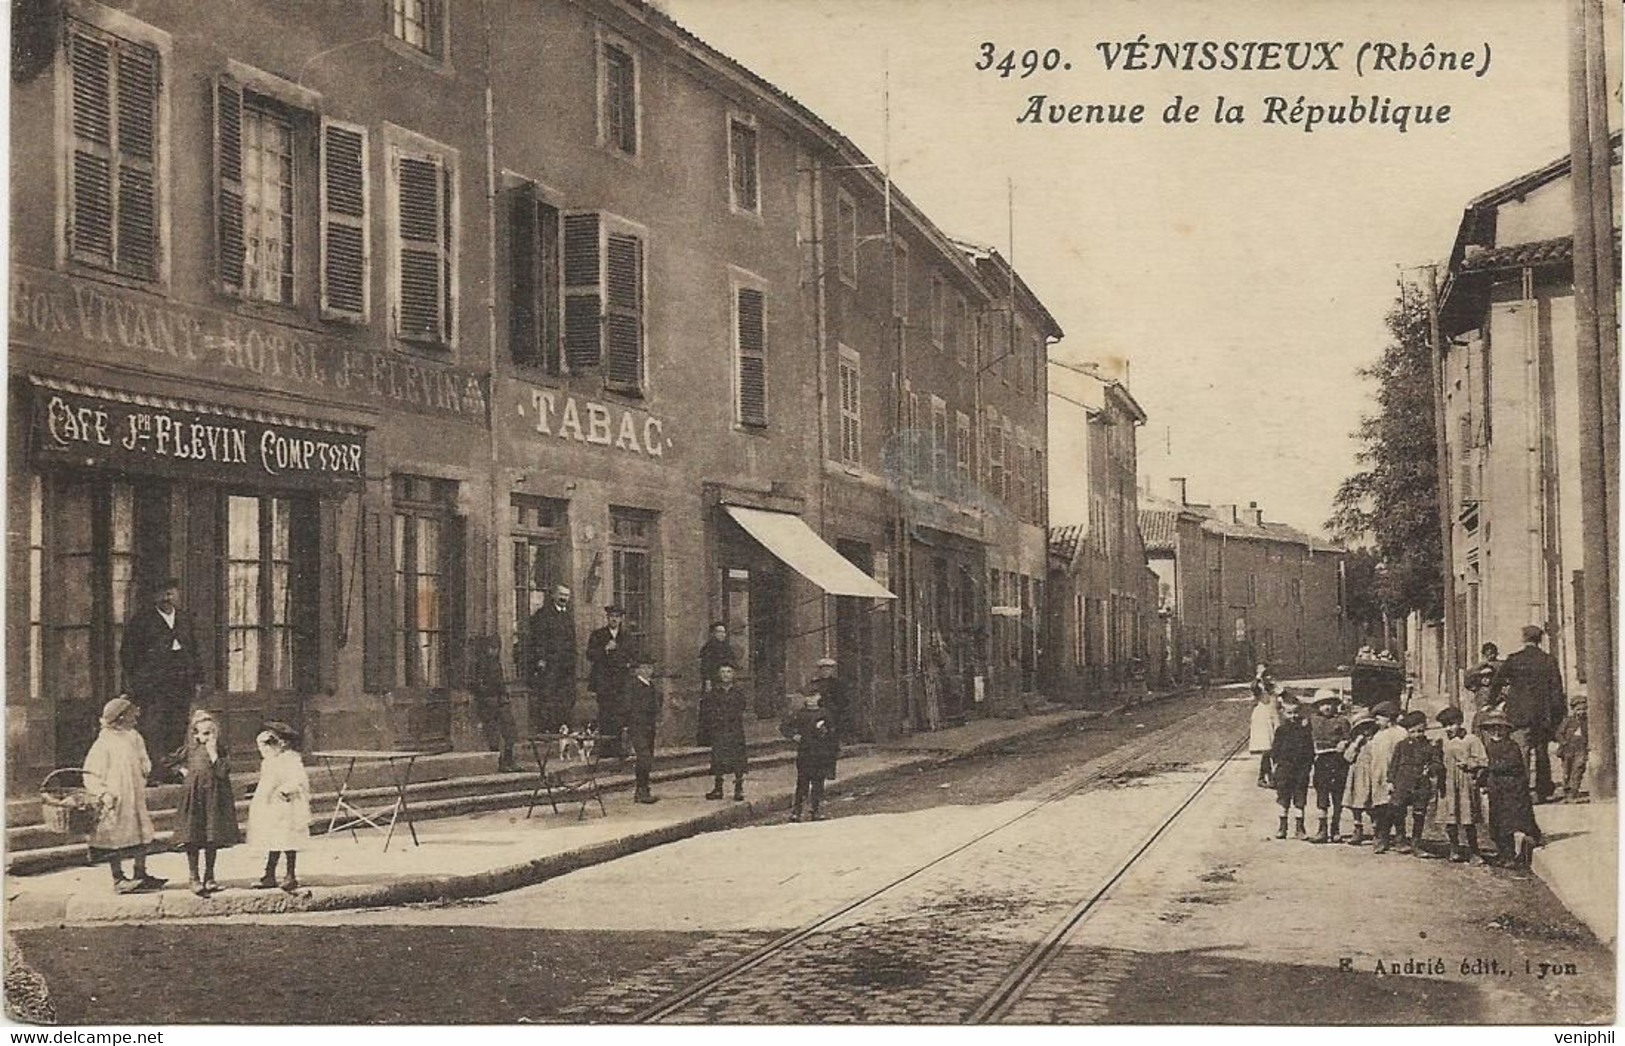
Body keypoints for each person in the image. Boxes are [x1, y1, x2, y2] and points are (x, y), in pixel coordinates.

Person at [119, 578, 203, 784]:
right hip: (154, 686)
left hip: (181, 683)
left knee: (177, 724)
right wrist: (140, 680)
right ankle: (154, 771)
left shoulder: (184, 619)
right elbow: (128, 654)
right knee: (154, 726)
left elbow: (195, 650)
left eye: (171, 591)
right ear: (153, 596)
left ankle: (173, 769)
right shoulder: (142, 621)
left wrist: (198, 680)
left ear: (177, 594)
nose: (167, 596)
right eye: (162, 592)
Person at [83, 697, 164, 894]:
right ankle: (118, 878)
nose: (135, 718)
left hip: (134, 794)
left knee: (140, 831)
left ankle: (140, 872)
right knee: (114, 836)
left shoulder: (133, 736)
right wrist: (103, 794)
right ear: (119, 718)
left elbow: (143, 758)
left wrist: (145, 768)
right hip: (115, 797)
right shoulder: (104, 743)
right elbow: (91, 773)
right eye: (130, 715)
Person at [1486, 625, 1565, 802]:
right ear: (1540, 640)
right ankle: (1542, 791)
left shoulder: (1514, 659)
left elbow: (1497, 682)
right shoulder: (1548, 660)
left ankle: (1522, 792)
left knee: (1522, 752)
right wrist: (1557, 715)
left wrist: (1490, 703)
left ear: (1523, 639)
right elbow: (1557, 690)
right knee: (1541, 753)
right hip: (1543, 715)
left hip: (1519, 714)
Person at [168, 709, 240, 896]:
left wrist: (214, 752)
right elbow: (170, 763)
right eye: (204, 733)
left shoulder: (220, 750)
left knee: (211, 835)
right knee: (192, 836)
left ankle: (210, 875)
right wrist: (182, 771)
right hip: (194, 796)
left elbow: (223, 771)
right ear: (196, 733)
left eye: (211, 732)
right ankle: (194, 877)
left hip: (215, 796)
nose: (208, 737)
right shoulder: (190, 749)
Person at [248, 722, 311, 892]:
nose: (268, 748)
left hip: (287, 804)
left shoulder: (291, 759)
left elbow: (299, 780)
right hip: (272, 806)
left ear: (284, 743)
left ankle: (290, 875)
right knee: (273, 839)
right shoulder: (270, 760)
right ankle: (269, 874)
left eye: (272, 743)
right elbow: (267, 779)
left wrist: (286, 790)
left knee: (288, 839)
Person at [1477, 709, 1541, 868]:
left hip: (1512, 788)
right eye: (1492, 729)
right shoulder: (1489, 746)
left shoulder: (1511, 746)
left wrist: (1488, 766)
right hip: (1496, 788)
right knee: (1497, 822)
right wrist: (1482, 780)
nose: (1496, 732)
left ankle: (1514, 854)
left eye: (1500, 728)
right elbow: (1485, 768)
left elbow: (1511, 765)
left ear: (1507, 730)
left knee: (1512, 821)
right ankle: (1504, 853)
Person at [1387, 710, 1443, 858]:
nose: (1418, 734)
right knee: (1398, 810)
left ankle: (1416, 843)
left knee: (1419, 813)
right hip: (1402, 782)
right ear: (1408, 731)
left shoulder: (1430, 746)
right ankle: (1400, 839)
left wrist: (1430, 769)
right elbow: (1393, 765)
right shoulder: (1401, 745)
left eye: (1420, 731)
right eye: (1413, 732)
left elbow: (1437, 763)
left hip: (1421, 784)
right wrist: (1390, 782)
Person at [525, 584, 578, 734]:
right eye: (561, 594)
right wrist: (541, 659)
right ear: (554, 595)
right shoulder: (544, 615)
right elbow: (539, 639)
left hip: (566, 665)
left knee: (565, 696)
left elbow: (572, 640)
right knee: (548, 695)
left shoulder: (568, 616)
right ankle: (548, 728)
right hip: (550, 664)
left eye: (567, 596)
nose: (563, 598)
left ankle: (563, 727)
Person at [1437, 706, 1487, 862]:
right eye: (1445, 725)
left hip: (1465, 783)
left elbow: (1483, 760)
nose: (1448, 728)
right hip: (1448, 782)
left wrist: (1469, 764)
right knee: (1450, 818)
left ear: (1460, 722)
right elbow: (1436, 759)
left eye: (1451, 724)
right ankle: (1454, 848)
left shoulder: (1471, 739)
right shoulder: (1442, 741)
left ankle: (1474, 851)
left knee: (1468, 818)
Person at [587, 606, 638, 759]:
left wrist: (628, 664)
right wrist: (605, 649)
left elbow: (634, 656)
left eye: (617, 616)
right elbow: (589, 655)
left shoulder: (627, 636)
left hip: (621, 682)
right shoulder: (598, 635)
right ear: (607, 618)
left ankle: (618, 748)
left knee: (620, 715)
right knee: (605, 714)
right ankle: (605, 749)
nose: (614, 619)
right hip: (604, 683)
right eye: (611, 616)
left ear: (621, 618)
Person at [782, 686, 839, 822]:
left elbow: (833, 731)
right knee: (802, 782)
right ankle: (797, 810)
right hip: (805, 752)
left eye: (814, 696)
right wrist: (793, 735)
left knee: (818, 781)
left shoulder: (825, 714)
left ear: (819, 697)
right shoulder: (799, 714)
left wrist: (827, 735)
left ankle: (816, 809)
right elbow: (784, 727)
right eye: (808, 697)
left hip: (821, 752)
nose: (811, 700)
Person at [469, 635, 521, 772]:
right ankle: (499, 763)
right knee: (493, 735)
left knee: (510, 732)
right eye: (492, 648)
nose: (495, 651)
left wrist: (504, 694)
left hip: (500, 701)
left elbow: (500, 682)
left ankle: (509, 760)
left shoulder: (496, 663)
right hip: (487, 703)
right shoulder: (479, 664)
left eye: (497, 648)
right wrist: (486, 693)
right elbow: (474, 684)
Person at [1307, 690, 1350, 843]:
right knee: (1322, 795)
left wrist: (1345, 743)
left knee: (1338, 795)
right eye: (1323, 704)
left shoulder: (1342, 721)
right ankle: (1322, 829)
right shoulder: (1312, 720)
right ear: (1317, 706)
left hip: (1338, 761)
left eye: (1330, 704)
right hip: (1321, 761)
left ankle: (1335, 828)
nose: (1326, 707)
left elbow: (1348, 737)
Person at [1364, 701, 1407, 853]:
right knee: (1381, 809)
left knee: (1397, 808)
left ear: (1388, 718)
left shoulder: (1401, 733)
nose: (1376, 721)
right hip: (1379, 777)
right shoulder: (1378, 735)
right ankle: (1382, 838)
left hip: (1395, 777)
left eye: (1378, 718)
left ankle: (1401, 838)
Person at [704, 664, 749, 801]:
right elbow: (709, 708)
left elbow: (742, 706)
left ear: (733, 674)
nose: (725, 675)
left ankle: (738, 788)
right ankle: (718, 788)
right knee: (718, 758)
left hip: (734, 728)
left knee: (738, 758)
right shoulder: (714, 692)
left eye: (728, 672)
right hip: (719, 729)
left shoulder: (738, 691)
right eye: (722, 672)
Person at [626, 657, 663, 804]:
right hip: (637, 726)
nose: (648, 671)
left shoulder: (652, 686)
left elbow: (656, 703)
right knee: (644, 757)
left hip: (649, 726)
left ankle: (644, 789)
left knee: (648, 758)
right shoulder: (633, 685)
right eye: (645, 668)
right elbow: (627, 706)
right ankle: (641, 790)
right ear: (638, 670)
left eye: (650, 668)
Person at [1341, 709, 1381, 846]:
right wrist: (1356, 743)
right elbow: (1347, 757)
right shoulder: (1356, 744)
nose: (1366, 731)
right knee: (1355, 803)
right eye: (1362, 728)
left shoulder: (1376, 741)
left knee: (1371, 804)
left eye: (1368, 727)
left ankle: (1377, 831)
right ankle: (1358, 828)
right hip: (1357, 775)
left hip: (1371, 775)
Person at [808, 657, 849, 741]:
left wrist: (837, 708)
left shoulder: (837, 683)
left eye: (828, 670)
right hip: (817, 710)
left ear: (832, 671)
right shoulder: (814, 683)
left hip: (833, 710)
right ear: (819, 670)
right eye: (823, 670)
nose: (826, 672)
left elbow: (842, 699)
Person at [1556, 697, 1588, 803]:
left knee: (1578, 768)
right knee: (1567, 770)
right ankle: (1566, 790)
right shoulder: (1568, 721)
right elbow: (1559, 734)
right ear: (1573, 709)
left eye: (1583, 709)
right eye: (1578, 709)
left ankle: (1574, 791)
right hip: (1568, 749)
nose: (1581, 712)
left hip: (1581, 749)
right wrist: (1564, 742)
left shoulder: (1587, 721)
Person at [1248, 685, 1277, 789]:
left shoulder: (1269, 705)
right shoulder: (1259, 709)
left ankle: (1264, 778)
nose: (1267, 697)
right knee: (1267, 753)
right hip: (1264, 731)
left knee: (1268, 754)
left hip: (1269, 729)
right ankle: (1269, 778)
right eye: (1264, 695)